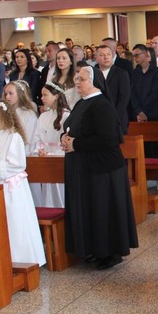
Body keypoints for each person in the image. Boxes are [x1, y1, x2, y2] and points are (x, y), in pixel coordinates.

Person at [61, 66, 138, 270]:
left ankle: (110, 253)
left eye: (82, 79)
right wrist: (64, 138)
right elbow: (70, 126)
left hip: (103, 170)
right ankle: (95, 249)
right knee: (92, 209)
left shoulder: (102, 105)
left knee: (103, 211)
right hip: (86, 168)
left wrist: (76, 144)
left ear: (94, 82)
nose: (77, 82)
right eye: (77, 79)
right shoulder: (81, 103)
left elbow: (108, 139)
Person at [0, 99, 46, 267]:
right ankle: (4, 261)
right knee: (0, 224)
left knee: (16, 223)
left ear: (4, 115)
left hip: (13, 188)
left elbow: (19, 165)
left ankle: (23, 261)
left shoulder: (14, 137)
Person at [29, 82, 70, 208]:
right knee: (48, 196)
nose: (42, 98)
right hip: (45, 160)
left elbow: (66, 141)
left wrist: (52, 154)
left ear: (56, 96)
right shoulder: (43, 116)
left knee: (61, 194)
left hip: (59, 160)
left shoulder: (66, 116)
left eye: (45, 95)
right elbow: (36, 138)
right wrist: (40, 150)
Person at [95, 43, 130, 134]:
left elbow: (124, 99)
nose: (106, 57)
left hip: (117, 118)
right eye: (102, 55)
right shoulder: (93, 74)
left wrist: (113, 116)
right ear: (96, 58)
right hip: (97, 118)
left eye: (108, 54)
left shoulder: (121, 74)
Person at [2, 80, 37, 155]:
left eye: (11, 93)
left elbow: (28, 138)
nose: (7, 97)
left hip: (22, 152)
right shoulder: (4, 113)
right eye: (5, 94)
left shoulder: (28, 114)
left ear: (19, 94)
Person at [130, 45, 158, 123]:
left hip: (153, 112)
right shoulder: (134, 72)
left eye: (137, 55)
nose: (135, 58)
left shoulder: (156, 71)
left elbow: (154, 93)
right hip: (137, 114)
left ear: (145, 54)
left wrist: (143, 111)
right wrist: (139, 111)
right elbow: (132, 93)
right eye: (133, 56)